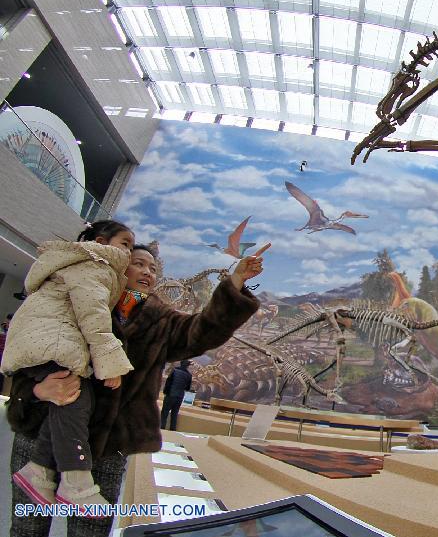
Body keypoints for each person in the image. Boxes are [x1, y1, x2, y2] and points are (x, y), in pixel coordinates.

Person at [7, 241, 268, 537]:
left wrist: (235, 283)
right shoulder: (68, 300)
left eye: (153, 268)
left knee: (90, 531)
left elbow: (202, 331)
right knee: (28, 528)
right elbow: (23, 358)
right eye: (139, 264)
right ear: (118, 266)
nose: (147, 272)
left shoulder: (161, 322)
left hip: (107, 447)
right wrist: (37, 391)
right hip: (43, 433)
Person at [1, 220, 136, 509]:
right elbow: (94, 318)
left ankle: (40, 471)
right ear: (101, 242)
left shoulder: (150, 317)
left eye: (151, 266)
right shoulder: (94, 269)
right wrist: (110, 364)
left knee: (76, 398)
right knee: (75, 397)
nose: (139, 265)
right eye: (127, 248)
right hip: (41, 407)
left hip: (103, 443)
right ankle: (74, 480)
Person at [160, 360, 193, 431]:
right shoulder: (189, 375)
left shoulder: (174, 371)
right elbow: (187, 388)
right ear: (187, 366)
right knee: (175, 414)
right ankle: (172, 430)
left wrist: (165, 392)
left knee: (164, 412)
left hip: (171, 394)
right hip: (180, 396)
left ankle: (161, 429)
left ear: (181, 363)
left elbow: (168, 383)